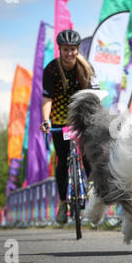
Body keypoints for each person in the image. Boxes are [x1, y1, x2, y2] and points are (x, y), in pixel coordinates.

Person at [40, 29, 98, 224]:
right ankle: (63, 203)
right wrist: (46, 120)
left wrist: (96, 118)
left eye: (73, 49)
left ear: (77, 49)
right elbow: (47, 98)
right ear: (60, 49)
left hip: (81, 119)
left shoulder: (86, 68)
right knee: (63, 161)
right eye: (66, 49)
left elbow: (95, 96)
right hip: (59, 120)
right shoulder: (51, 69)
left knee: (88, 155)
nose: (69, 53)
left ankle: (89, 188)